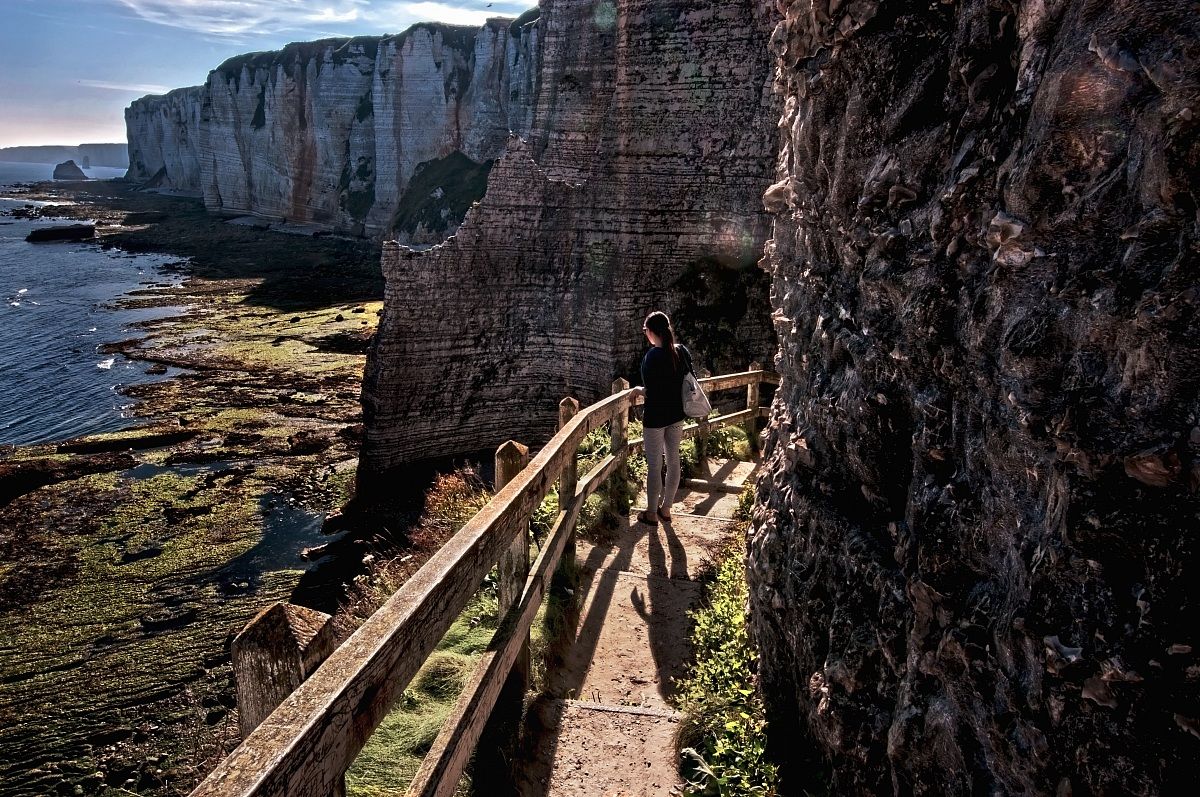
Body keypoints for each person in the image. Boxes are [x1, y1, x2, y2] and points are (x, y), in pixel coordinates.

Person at [636, 311, 690, 525]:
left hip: (655, 418)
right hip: (676, 415)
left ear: (650, 331)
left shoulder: (652, 356)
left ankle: (650, 513)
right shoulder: (681, 352)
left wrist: (638, 391)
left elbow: (651, 390)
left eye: (645, 330)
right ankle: (666, 509)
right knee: (673, 459)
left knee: (654, 466)